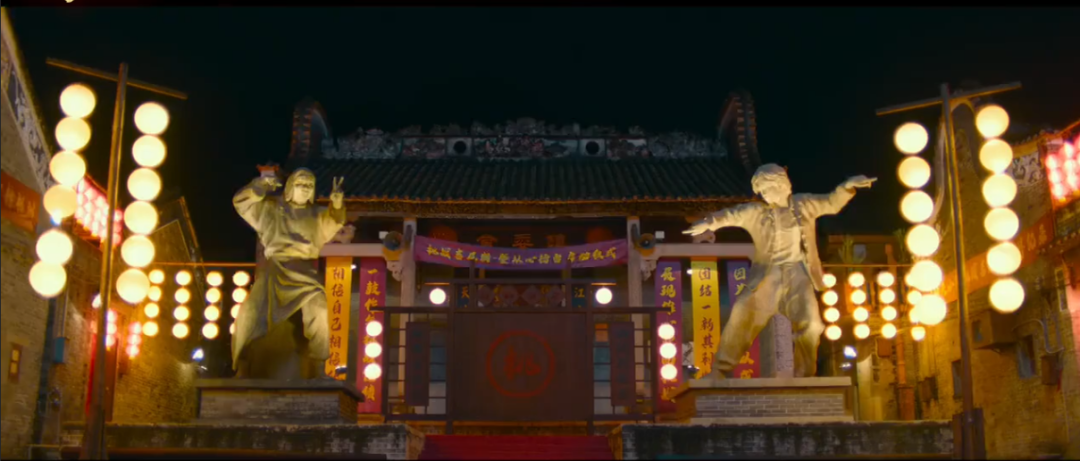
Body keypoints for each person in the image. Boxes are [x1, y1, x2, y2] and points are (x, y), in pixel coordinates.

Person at [684, 164, 875, 378]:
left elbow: (831, 202)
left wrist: (847, 187)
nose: (764, 195)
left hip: (797, 273)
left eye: (767, 189)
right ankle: (720, 369)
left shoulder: (804, 204)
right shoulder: (756, 212)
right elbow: (731, 215)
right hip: (768, 274)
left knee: (812, 324)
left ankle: (805, 373)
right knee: (742, 314)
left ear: (782, 185)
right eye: (762, 192)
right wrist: (708, 223)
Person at [232, 169, 346, 380]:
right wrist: (260, 186)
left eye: (310, 185)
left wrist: (337, 204)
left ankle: (319, 364)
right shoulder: (270, 208)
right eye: (301, 184)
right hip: (276, 270)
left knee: (320, 311)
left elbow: (335, 221)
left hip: (306, 274)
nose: (305, 189)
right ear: (290, 186)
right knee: (251, 313)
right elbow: (241, 203)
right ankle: (244, 364)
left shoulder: (317, 214)